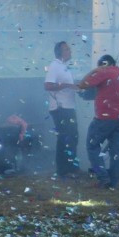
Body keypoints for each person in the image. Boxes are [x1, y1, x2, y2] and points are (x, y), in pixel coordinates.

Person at [78, 54, 119, 190]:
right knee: (116, 151)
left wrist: (94, 71)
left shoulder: (103, 72)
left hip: (104, 119)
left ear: (103, 64)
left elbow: (82, 85)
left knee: (92, 146)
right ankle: (113, 182)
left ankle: (103, 178)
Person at [43, 40, 82, 178]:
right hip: (60, 108)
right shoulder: (55, 66)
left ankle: (71, 167)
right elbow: (48, 85)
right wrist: (66, 85)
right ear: (60, 53)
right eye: (67, 49)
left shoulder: (65, 67)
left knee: (73, 137)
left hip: (68, 107)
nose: (70, 51)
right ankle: (63, 170)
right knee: (65, 138)